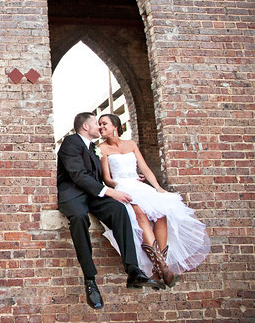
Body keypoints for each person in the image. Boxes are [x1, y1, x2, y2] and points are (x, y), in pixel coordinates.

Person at [57, 112, 160, 310]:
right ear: (86, 127)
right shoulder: (71, 142)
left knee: (119, 210)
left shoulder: (94, 148)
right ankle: (90, 280)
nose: (100, 127)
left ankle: (133, 270)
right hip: (74, 193)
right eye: (97, 123)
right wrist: (110, 191)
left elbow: (102, 177)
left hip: (94, 194)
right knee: (79, 217)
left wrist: (127, 181)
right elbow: (77, 175)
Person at [97, 113, 210, 289]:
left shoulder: (131, 144)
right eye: (99, 124)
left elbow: (145, 168)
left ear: (115, 126)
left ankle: (160, 267)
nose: (101, 127)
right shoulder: (102, 148)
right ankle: (163, 268)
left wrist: (157, 187)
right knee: (140, 215)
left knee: (161, 213)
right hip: (122, 186)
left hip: (138, 184)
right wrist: (119, 186)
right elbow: (107, 178)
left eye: (104, 124)